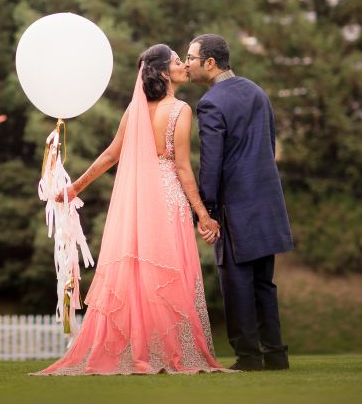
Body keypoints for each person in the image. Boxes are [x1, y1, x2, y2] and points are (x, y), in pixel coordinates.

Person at [38, 44, 227, 375]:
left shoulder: (135, 111)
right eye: (177, 62)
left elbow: (110, 156)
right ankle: (167, 353)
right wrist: (203, 214)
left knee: (140, 276)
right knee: (167, 277)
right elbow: (182, 168)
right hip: (168, 202)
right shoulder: (181, 110)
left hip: (138, 204)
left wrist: (74, 188)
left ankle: (140, 352)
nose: (184, 65)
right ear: (165, 73)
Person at [186, 34, 294, 371]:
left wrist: (207, 211)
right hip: (268, 202)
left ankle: (248, 357)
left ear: (210, 63)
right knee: (264, 282)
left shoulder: (211, 103)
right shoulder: (257, 92)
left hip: (237, 206)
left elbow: (211, 163)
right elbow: (269, 145)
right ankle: (275, 354)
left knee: (236, 283)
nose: (186, 63)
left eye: (190, 58)